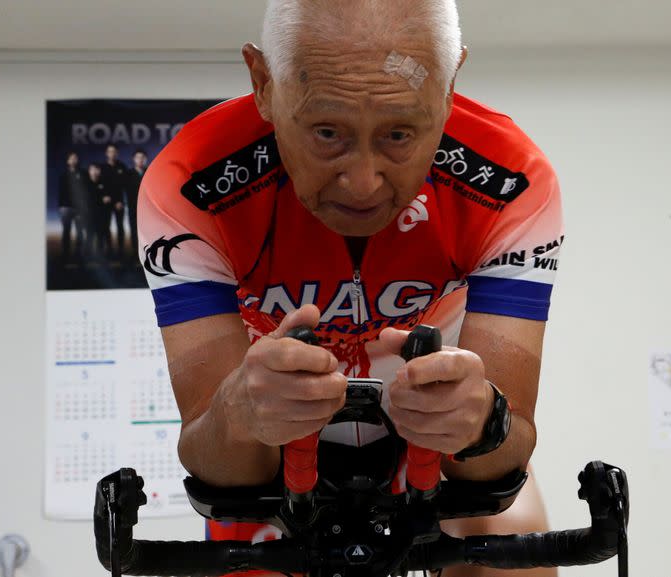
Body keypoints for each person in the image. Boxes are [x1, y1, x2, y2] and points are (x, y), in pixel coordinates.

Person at [139, 2, 563, 576]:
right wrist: (239, 413)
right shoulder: (190, 184)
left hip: (432, 435)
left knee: (511, 551)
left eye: (398, 133)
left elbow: (509, 447)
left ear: (449, 86)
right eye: (327, 132)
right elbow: (212, 456)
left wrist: (486, 418)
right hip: (276, 443)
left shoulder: (510, 179)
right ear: (263, 85)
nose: (363, 183)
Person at [57, 151, 89, 260]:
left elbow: (85, 192)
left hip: (79, 208)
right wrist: (61, 206)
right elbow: (61, 192)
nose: (73, 160)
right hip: (66, 207)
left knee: (80, 231)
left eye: (75, 158)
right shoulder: (64, 175)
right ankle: (66, 253)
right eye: (71, 158)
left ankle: (79, 254)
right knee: (66, 231)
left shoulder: (83, 174)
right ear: (67, 161)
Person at [100, 143, 127, 259]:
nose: (112, 153)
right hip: (106, 202)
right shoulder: (102, 168)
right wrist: (104, 196)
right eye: (110, 151)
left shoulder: (122, 166)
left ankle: (121, 250)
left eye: (114, 151)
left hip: (119, 202)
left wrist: (120, 201)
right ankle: (109, 250)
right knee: (106, 227)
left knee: (120, 226)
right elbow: (99, 184)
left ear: (117, 153)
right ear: (106, 153)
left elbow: (125, 186)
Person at [124, 149, 149, 258]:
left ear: (145, 159)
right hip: (133, 207)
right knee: (134, 230)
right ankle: (136, 253)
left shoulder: (149, 172)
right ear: (134, 159)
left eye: (142, 157)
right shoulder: (128, 174)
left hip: (147, 208)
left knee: (147, 231)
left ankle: (147, 253)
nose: (140, 160)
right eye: (138, 157)